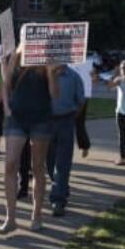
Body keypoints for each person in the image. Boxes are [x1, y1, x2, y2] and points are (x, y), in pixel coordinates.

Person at [0, 52, 58, 233]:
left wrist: (49, 72)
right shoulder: (15, 58)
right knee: (10, 165)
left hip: (41, 119)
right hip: (16, 119)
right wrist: (7, 109)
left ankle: (37, 215)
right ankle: (10, 218)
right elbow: (5, 85)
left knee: (38, 167)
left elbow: (55, 94)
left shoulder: (47, 62)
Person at [46, 63, 86, 216]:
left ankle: (58, 200)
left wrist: (72, 116)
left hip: (66, 121)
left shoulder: (74, 77)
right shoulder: (47, 74)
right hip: (48, 122)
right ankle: (61, 187)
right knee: (49, 162)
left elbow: (81, 100)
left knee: (62, 163)